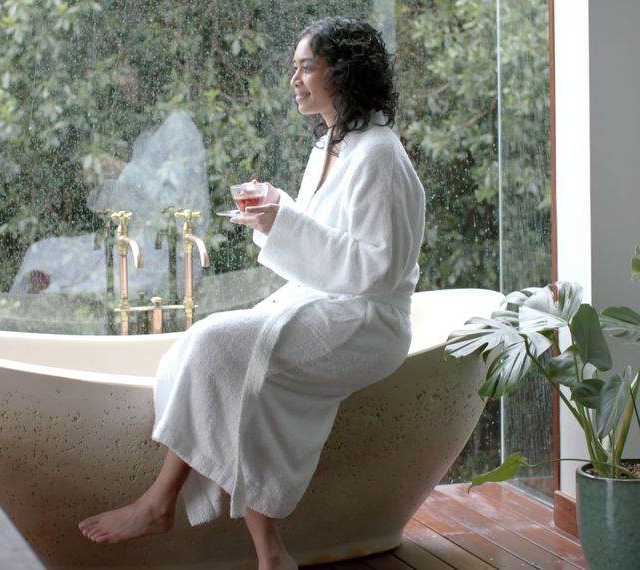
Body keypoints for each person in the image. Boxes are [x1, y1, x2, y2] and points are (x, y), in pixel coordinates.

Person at [78, 16, 425, 570]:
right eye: (293, 67)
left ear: (344, 71)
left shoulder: (379, 153)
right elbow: (327, 239)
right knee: (209, 349)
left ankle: (158, 501)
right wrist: (280, 210)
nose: (294, 78)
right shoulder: (330, 146)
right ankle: (270, 554)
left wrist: (283, 224)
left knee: (220, 345)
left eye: (306, 66)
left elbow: (377, 269)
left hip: (368, 321)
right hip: (324, 301)